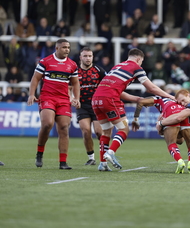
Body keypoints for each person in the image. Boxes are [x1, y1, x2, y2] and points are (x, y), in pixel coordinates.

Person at [92, 48, 176, 170]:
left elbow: (118, 91)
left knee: (106, 132)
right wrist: (170, 96)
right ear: (138, 59)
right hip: (110, 99)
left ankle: (103, 164)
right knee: (124, 129)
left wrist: (137, 99)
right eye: (141, 61)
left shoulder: (117, 66)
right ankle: (110, 153)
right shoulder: (136, 67)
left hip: (96, 99)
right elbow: (151, 88)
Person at [27, 39, 80, 170]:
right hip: (47, 97)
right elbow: (35, 78)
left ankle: (63, 162)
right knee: (47, 124)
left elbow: (75, 83)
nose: (67, 49)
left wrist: (76, 98)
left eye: (68, 47)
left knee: (63, 128)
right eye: (64, 47)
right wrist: (31, 94)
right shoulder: (45, 62)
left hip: (63, 100)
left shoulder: (72, 65)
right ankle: (39, 153)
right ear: (56, 48)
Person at [132, 96, 190, 173]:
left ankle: (180, 161)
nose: (146, 106)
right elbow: (180, 141)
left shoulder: (158, 99)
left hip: (170, 112)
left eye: (147, 105)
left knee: (171, 143)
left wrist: (136, 119)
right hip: (184, 113)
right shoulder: (179, 101)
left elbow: (141, 101)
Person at [76, 47, 106, 167]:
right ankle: (91, 158)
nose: (88, 58)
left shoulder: (99, 70)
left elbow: (108, 84)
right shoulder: (75, 72)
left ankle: (105, 155)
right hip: (82, 105)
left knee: (99, 132)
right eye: (85, 56)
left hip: (97, 105)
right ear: (80, 57)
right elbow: (68, 87)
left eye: (90, 56)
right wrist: (72, 98)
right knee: (86, 131)